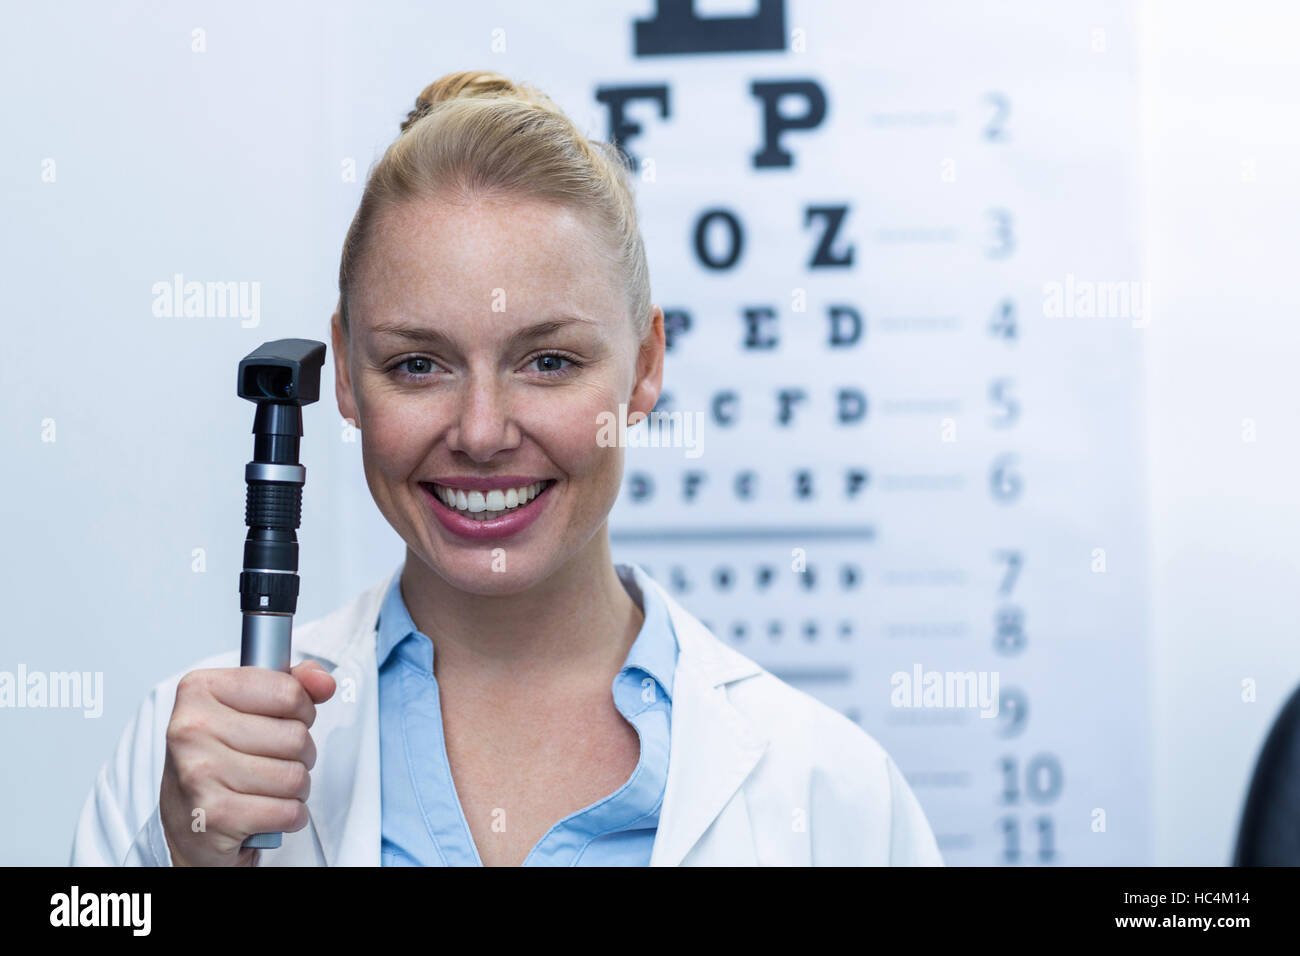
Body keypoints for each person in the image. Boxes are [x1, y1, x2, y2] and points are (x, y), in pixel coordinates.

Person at [70, 70, 943, 867]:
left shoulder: (833, 797)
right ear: (343, 371)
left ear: (644, 366)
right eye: (419, 364)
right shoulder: (189, 761)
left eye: (548, 362)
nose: (482, 433)